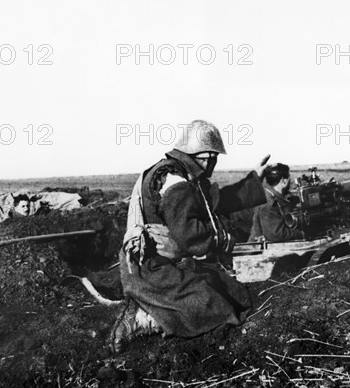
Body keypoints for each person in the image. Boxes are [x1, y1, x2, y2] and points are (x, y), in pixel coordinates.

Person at [112, 120, 270, 352]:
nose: (214, 164)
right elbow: (189, 235)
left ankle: (147, 306)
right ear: (205, 156)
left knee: (229, 289)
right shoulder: (175, 182)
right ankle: (142, 320)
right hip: (152, 268)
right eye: (214, 158)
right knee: (217, 306)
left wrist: (252, 180)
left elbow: (215, 202)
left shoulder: (175, 173)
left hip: (157, 263)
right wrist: (223, 239)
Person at [249, 164, 304, 242]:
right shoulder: (269, 202)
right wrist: (302, 233)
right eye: (289, 178)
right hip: (260, 251)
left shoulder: (272, 196)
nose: (290, 181)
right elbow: (277, 234)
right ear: (283, 181)